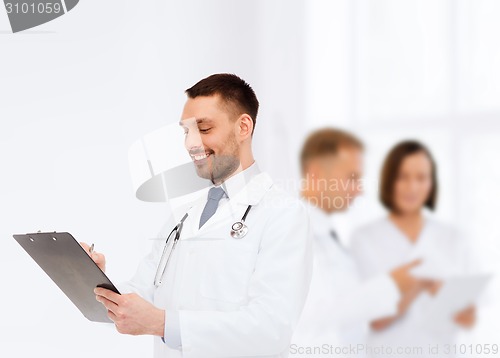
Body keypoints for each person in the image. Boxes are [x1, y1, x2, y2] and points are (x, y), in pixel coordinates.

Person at [81, 73, 313, 358]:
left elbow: (270, 329)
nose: (191, 144)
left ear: (243, 126)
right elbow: (142, 295)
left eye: (203, 129)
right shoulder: (184, 216)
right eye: (186, 132)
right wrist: (96, 280)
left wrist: (163, 323)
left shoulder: (283, 214)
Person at [291, 129, 423, 357]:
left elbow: (350, 311)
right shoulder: (292, 231)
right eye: (352, 178)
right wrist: (391, 285)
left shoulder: (329, 235)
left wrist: (399, 298)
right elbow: (313, 313)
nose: (359, 190)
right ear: (315, 174)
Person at [350, 140, 479, 357]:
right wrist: (418, 285)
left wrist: (444, 295)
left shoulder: (454, 238)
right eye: (403, 177)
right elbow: (375, 320)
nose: (412, 187)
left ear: (432, 183)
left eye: (421, 178)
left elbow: (469, 319)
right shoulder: (364, 238)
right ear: (389, 181)